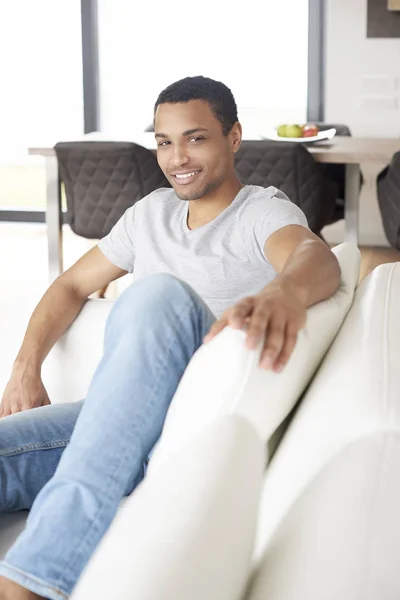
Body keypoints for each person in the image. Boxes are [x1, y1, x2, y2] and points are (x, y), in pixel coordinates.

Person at [0, 75, 341, 600]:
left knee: (154, 295)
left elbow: (313, 256)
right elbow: (70, 285)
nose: (177, 156)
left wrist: (286, 294)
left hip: (188, 421)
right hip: (120, 415)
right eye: (164, 141)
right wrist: (25, 369)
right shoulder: (149, 213)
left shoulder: (260, 211)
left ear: (233, 137)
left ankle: (34, 580)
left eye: (196, 138)